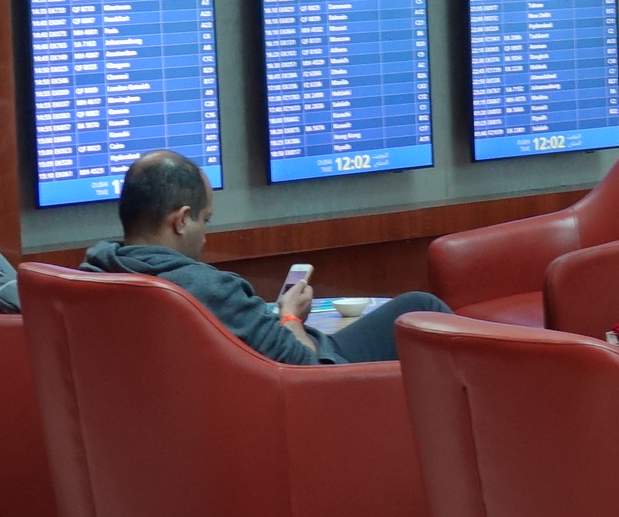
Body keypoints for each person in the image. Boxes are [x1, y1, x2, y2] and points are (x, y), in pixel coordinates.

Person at [79, 150, 445, 364]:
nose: (205, 237)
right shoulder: (205, 288)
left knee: (413, 307)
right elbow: (306, 368)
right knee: (423, 308)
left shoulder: (93, 273)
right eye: (204, 221)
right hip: (318, 389)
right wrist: (289, 316)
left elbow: (18, 293)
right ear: (181, 220)